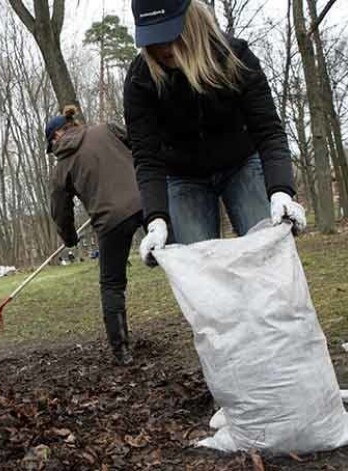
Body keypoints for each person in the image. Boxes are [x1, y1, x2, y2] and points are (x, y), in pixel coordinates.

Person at [124, 0, 306, 266]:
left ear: (191, 22)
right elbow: (147, 159)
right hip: (182, 175)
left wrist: (280, 191)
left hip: (241, 161)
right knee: (199, 265)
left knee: (267, 252)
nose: (162, 47)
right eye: (153, 38)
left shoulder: (235, 57)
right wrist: (156, 220)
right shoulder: (140, 80)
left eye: (169, 34)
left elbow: (268, 131)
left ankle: (276, 308)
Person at [46, 105, 143, 365]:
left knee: (112, 285)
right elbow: (140, 146)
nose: (53, 152)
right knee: (177, 251)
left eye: (51, 146)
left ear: (56, 137)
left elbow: (60, 213)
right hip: (148, 201)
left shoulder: (61, 168)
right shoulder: (107, 129)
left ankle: (122, 351)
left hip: (110, 221)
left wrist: (69, 239)